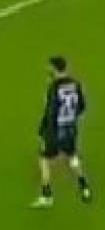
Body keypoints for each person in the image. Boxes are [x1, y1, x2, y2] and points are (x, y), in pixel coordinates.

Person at [31, 56, 91, 208]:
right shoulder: (75, 84)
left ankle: (46, 195)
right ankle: (84, 186)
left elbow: (50, 111)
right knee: (72, 156)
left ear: (54, 68)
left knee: (44, 158)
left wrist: (42, 130)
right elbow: (82, 106)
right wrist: (70, 118)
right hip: (70, 127)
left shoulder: (54, 87)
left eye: (49, 68)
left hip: (55, 130)